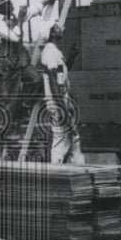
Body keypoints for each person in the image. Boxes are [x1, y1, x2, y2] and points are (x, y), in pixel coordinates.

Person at [40, 24, 85, 165]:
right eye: (57, 28)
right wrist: (61, 107)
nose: (61, 29)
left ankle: (78, 170)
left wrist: (71, 56)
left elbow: (61, 74)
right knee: (61, 141)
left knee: (74, 139)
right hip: (58, 103)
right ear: (52, 34)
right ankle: (56, 173)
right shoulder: (50, 52)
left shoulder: (55, 52)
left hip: (63, 101)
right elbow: (53, 80)